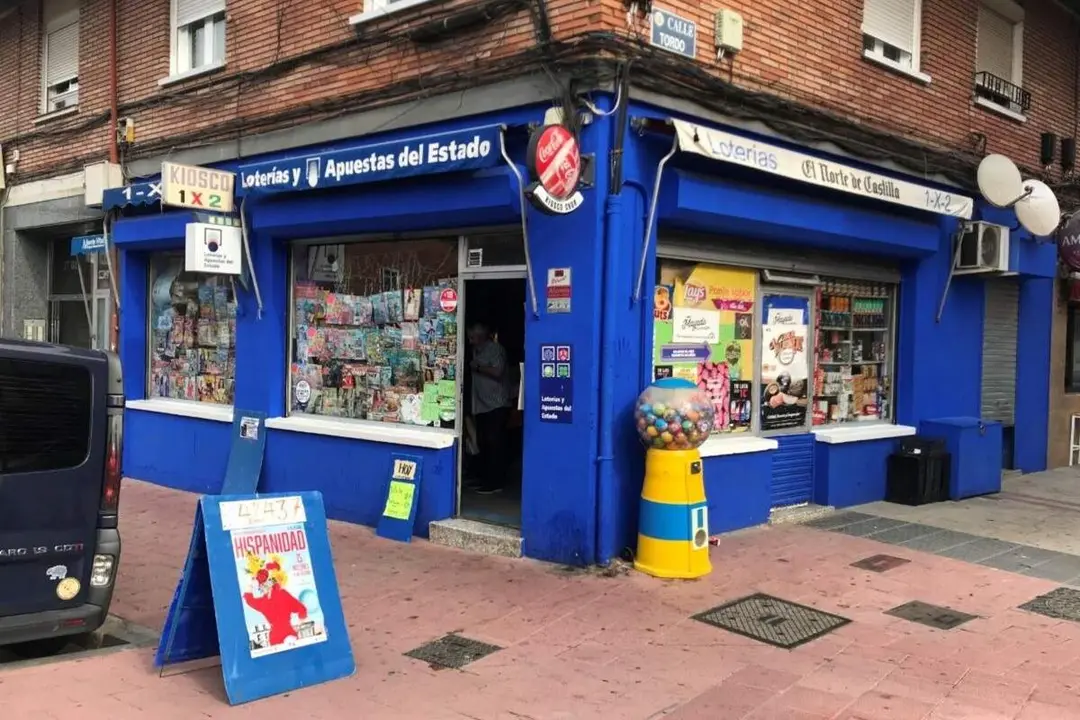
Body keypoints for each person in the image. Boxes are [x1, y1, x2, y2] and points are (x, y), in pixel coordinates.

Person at [467, 321, 511, 495]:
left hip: (496, 404)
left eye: (472, 337)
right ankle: (484, 478)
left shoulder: (495, 349)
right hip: (481, 405)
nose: (470, 341)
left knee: (494, 444)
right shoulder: (475, 350)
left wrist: (477, 367)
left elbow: (498, 372)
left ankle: (495, 482)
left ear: (481, 336)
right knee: (484, 443)